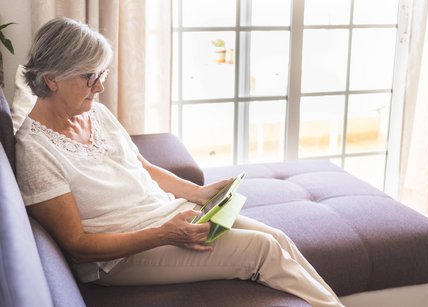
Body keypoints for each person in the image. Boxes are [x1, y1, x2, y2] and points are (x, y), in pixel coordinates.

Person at [15, 17, 344, 307]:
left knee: (278, 237)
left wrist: (200, 194)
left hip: (168, 216)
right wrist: (165, 234)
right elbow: (78, 247)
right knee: (262, 249)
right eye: (89, 77)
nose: (100, 86)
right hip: (120, 256)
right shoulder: (36, 151)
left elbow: (141, 166)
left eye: (102, 74)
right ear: (52, 79)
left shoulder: (95, 113)